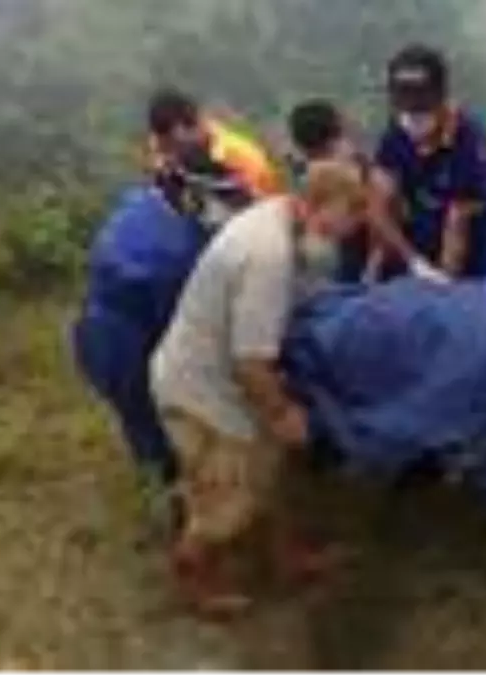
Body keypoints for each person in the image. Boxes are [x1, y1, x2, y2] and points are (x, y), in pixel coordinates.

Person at [150, 160, 365, 617]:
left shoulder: (275, 218)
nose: (340, 236)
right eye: (340, 222)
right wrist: (285, 414)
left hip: (216, 371)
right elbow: (252, 363)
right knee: (226, 497)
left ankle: (287, 560)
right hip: (199, 390)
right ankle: (193, 578)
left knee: (271, 469)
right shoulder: (268, 254)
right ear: (314, 204)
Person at [72, 146, 248, 495]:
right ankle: (171, 495)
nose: (227, 210)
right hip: (124, 340)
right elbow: (185, 328)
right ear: (193, 197)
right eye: (221, 200)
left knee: (138, 411)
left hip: (95, 323)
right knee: (152, 414)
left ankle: (161, 476)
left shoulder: (143, 202)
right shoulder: (174, 253)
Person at [375, 44, 486, 279]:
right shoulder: (396, 133)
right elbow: (379, 205)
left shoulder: (471, 141)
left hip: (480, 255)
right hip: (425, 244)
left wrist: (443, 287)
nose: (413, 119)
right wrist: (414, 262)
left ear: (441, 97)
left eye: (421, 110)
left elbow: (457, 224)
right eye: (406, 110)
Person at [287, 99, 446, 283]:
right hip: (360, 243)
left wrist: (383, 265)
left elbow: (378, 215)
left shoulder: (348, 165)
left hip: (376, 245)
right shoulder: (325, 166)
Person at [146, 87, 288, 201]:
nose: (163, 151)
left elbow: (262, 201)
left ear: (181, 132)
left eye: (168, 146)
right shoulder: (177, 145)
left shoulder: (236, 156)